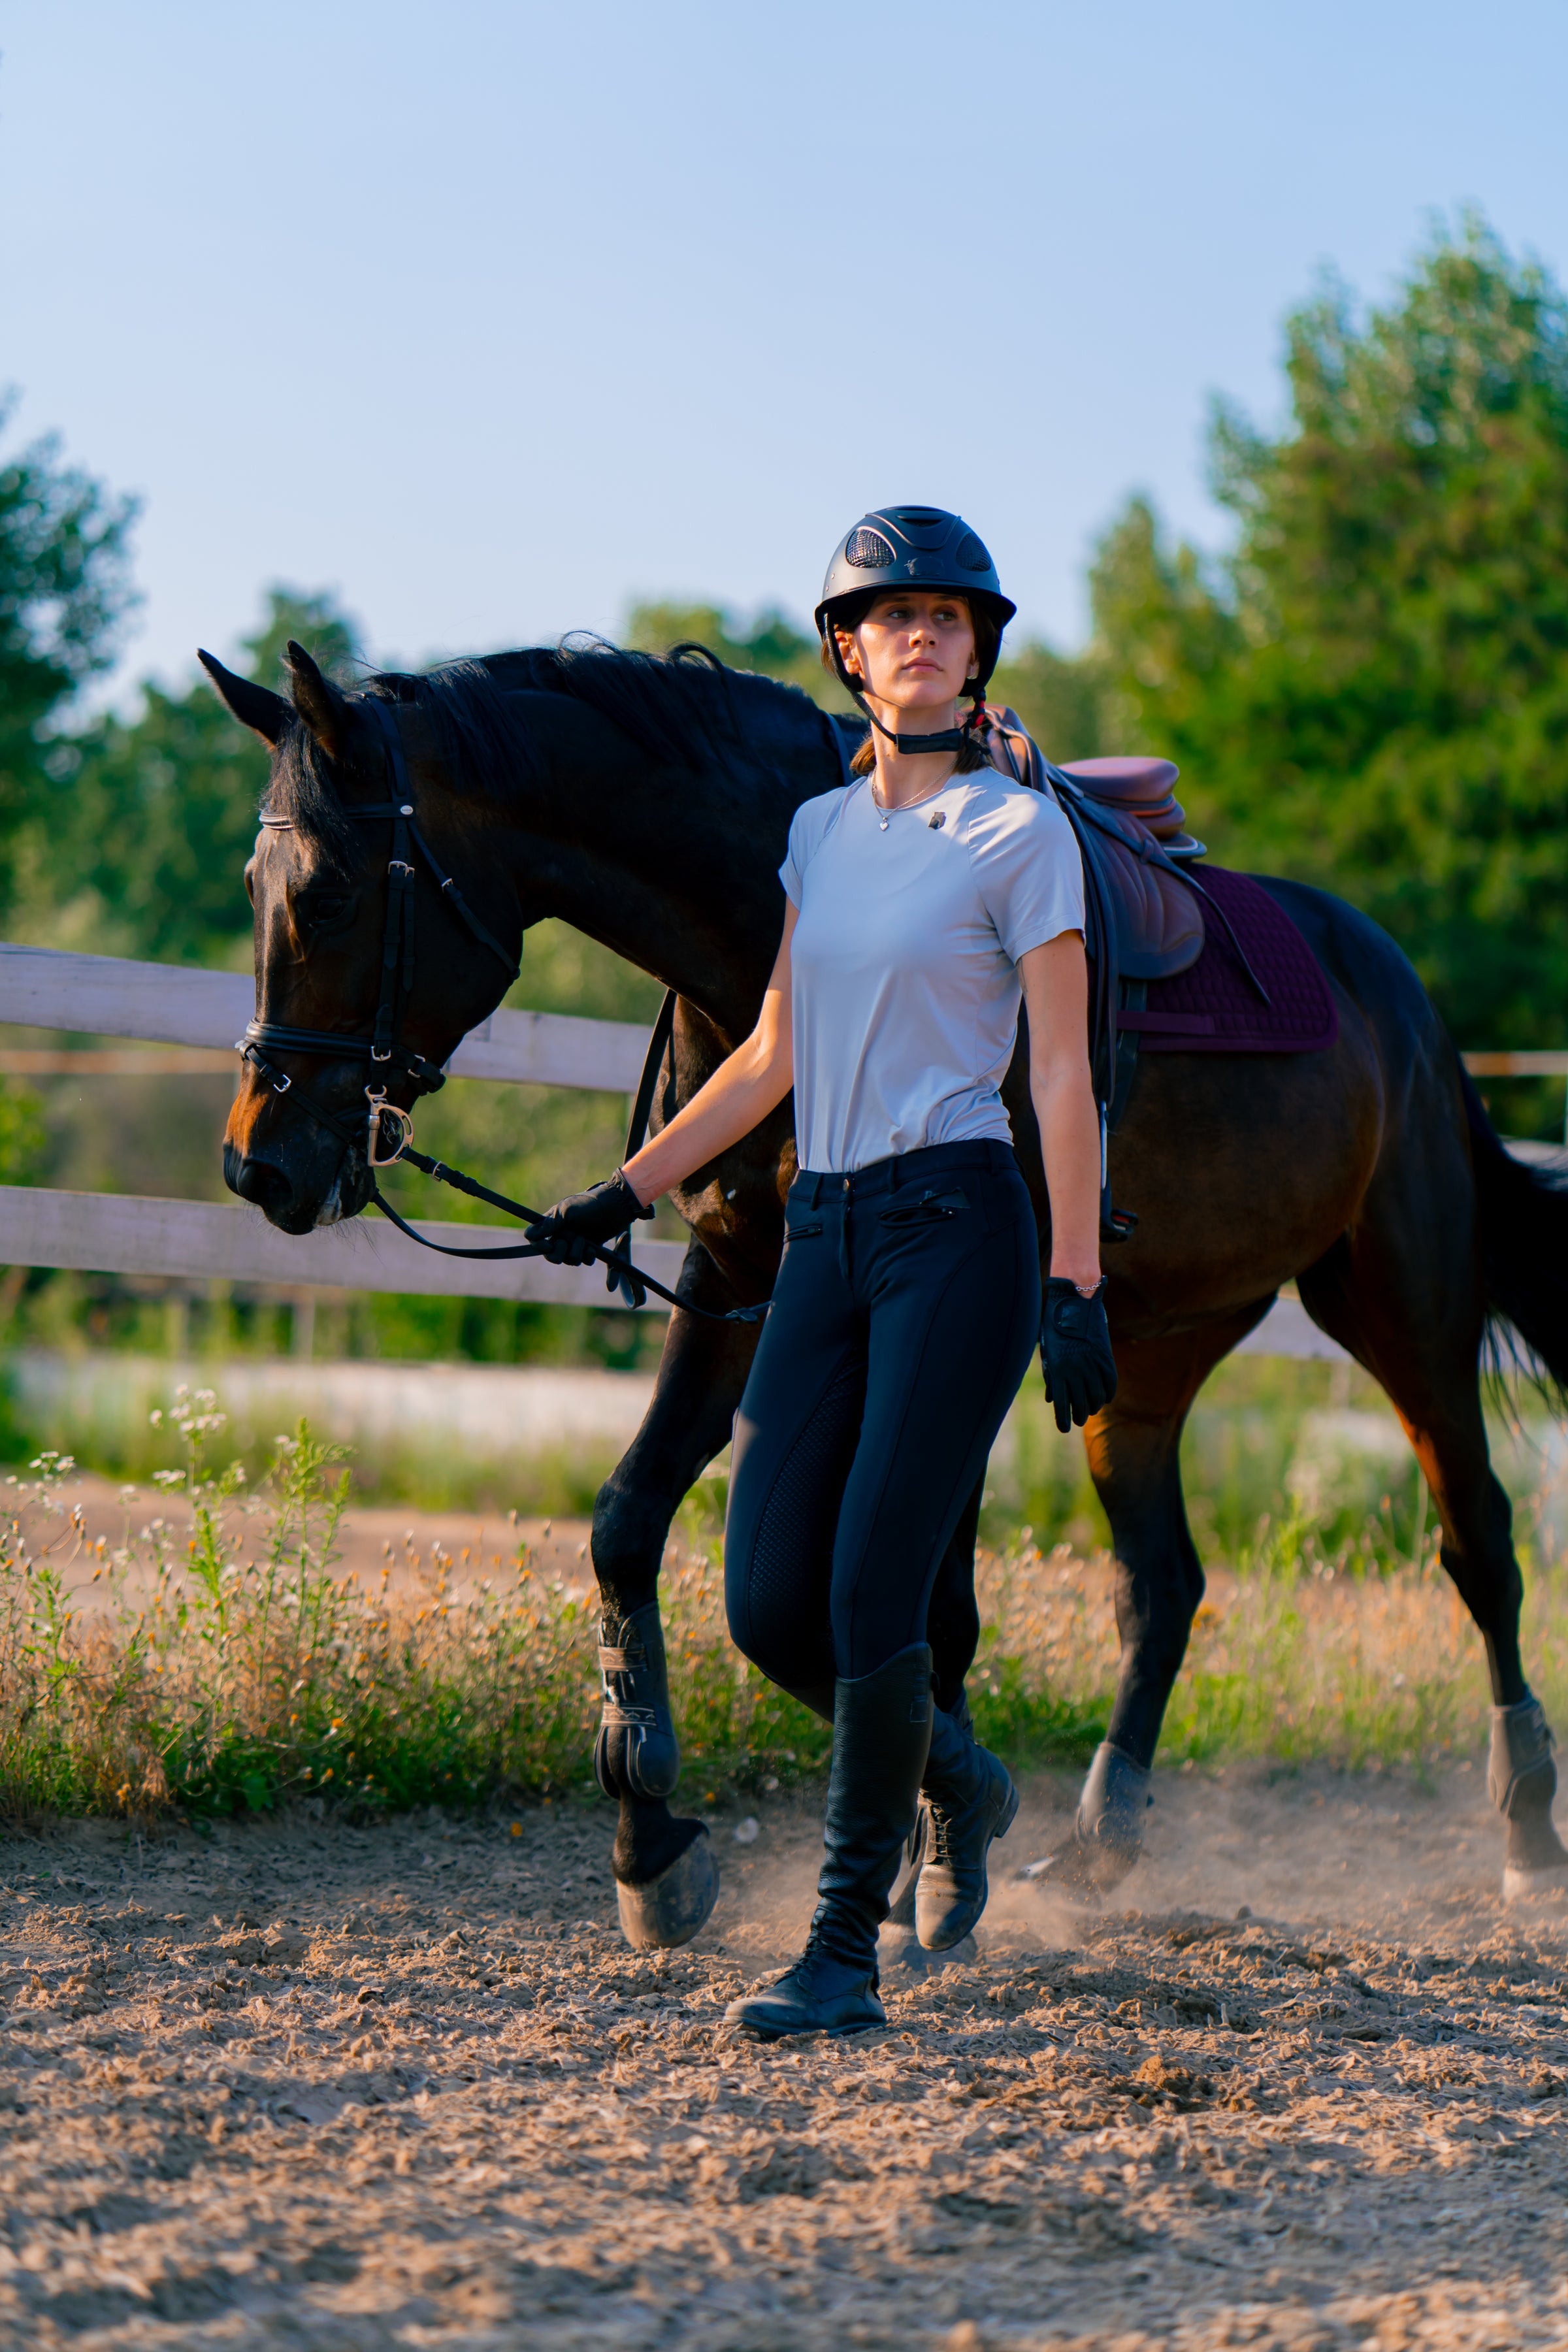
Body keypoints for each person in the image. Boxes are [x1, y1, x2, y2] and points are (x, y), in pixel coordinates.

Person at [528, 506, 1117, 2037]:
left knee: (872, 1586)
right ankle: (965, 1780)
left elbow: (1059, 1079)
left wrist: (1076, 1282)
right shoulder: (818, 833)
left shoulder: (1022, 833)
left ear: (978, 649)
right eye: (888, 615)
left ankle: (843, 1952)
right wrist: (626, 1187)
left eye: (947, 615)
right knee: (769, 1603)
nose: (919, 633)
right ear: (847, 652)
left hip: (961, 1229)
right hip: (827, 1231)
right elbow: (777, 1052)